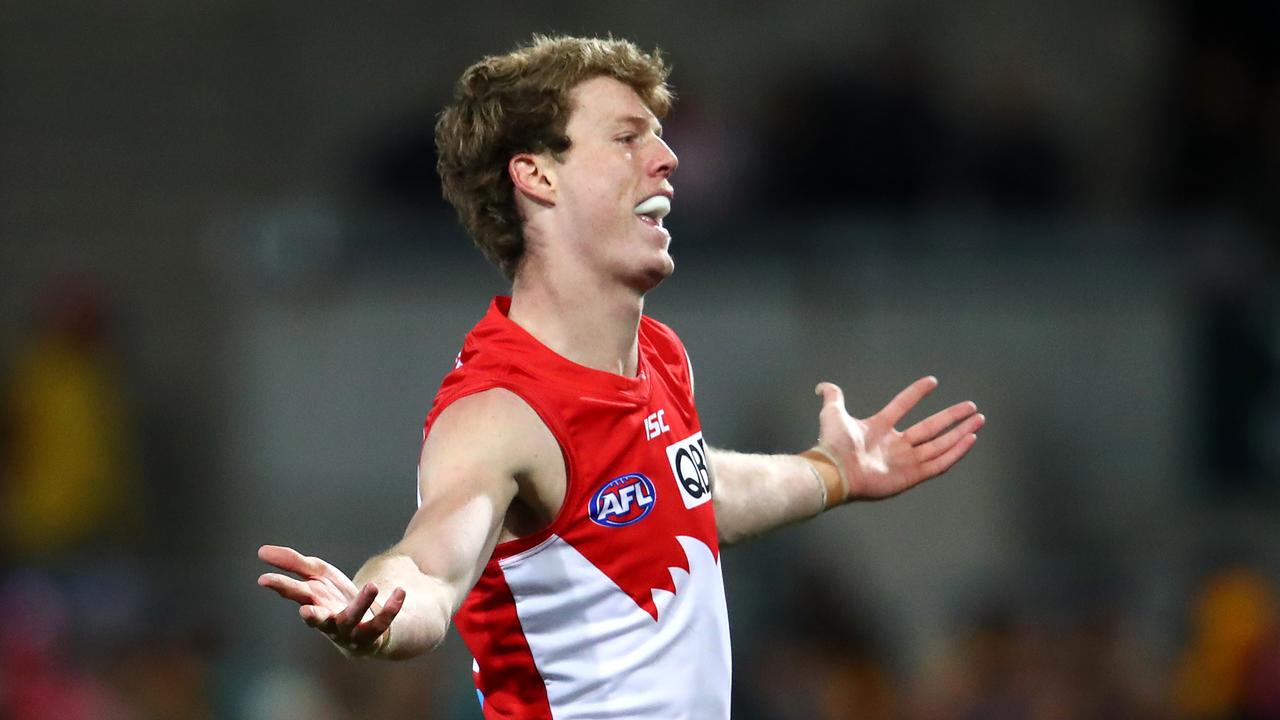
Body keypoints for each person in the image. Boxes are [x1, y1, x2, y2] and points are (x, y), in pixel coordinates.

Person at [257, 35, 985, 718]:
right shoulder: (500, 412)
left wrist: (830, 473)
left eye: (660, 136)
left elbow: (681, 493)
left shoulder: (660, 355)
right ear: (537, 174)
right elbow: (432, 565)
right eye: (629, 137)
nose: (667, 158)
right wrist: (384, 608)